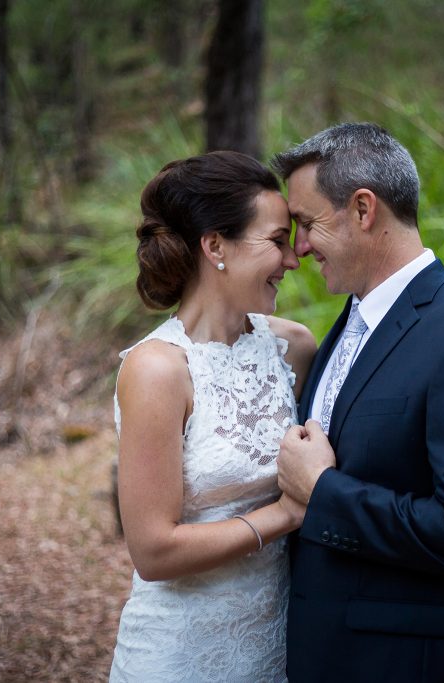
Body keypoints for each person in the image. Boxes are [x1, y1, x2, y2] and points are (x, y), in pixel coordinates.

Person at [271, 123, 444, 683]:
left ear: (364, 209)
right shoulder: (348, 325)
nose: (299, 247)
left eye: (307, 223)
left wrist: (324, 493)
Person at [109, 151, 316, 682]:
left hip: (280, 646)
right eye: (275, 241)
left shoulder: (292, 349)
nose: (293, 259)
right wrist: (287, 515)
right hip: (183, 653)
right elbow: (153, 551)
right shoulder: (158, 369)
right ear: (215, 245)